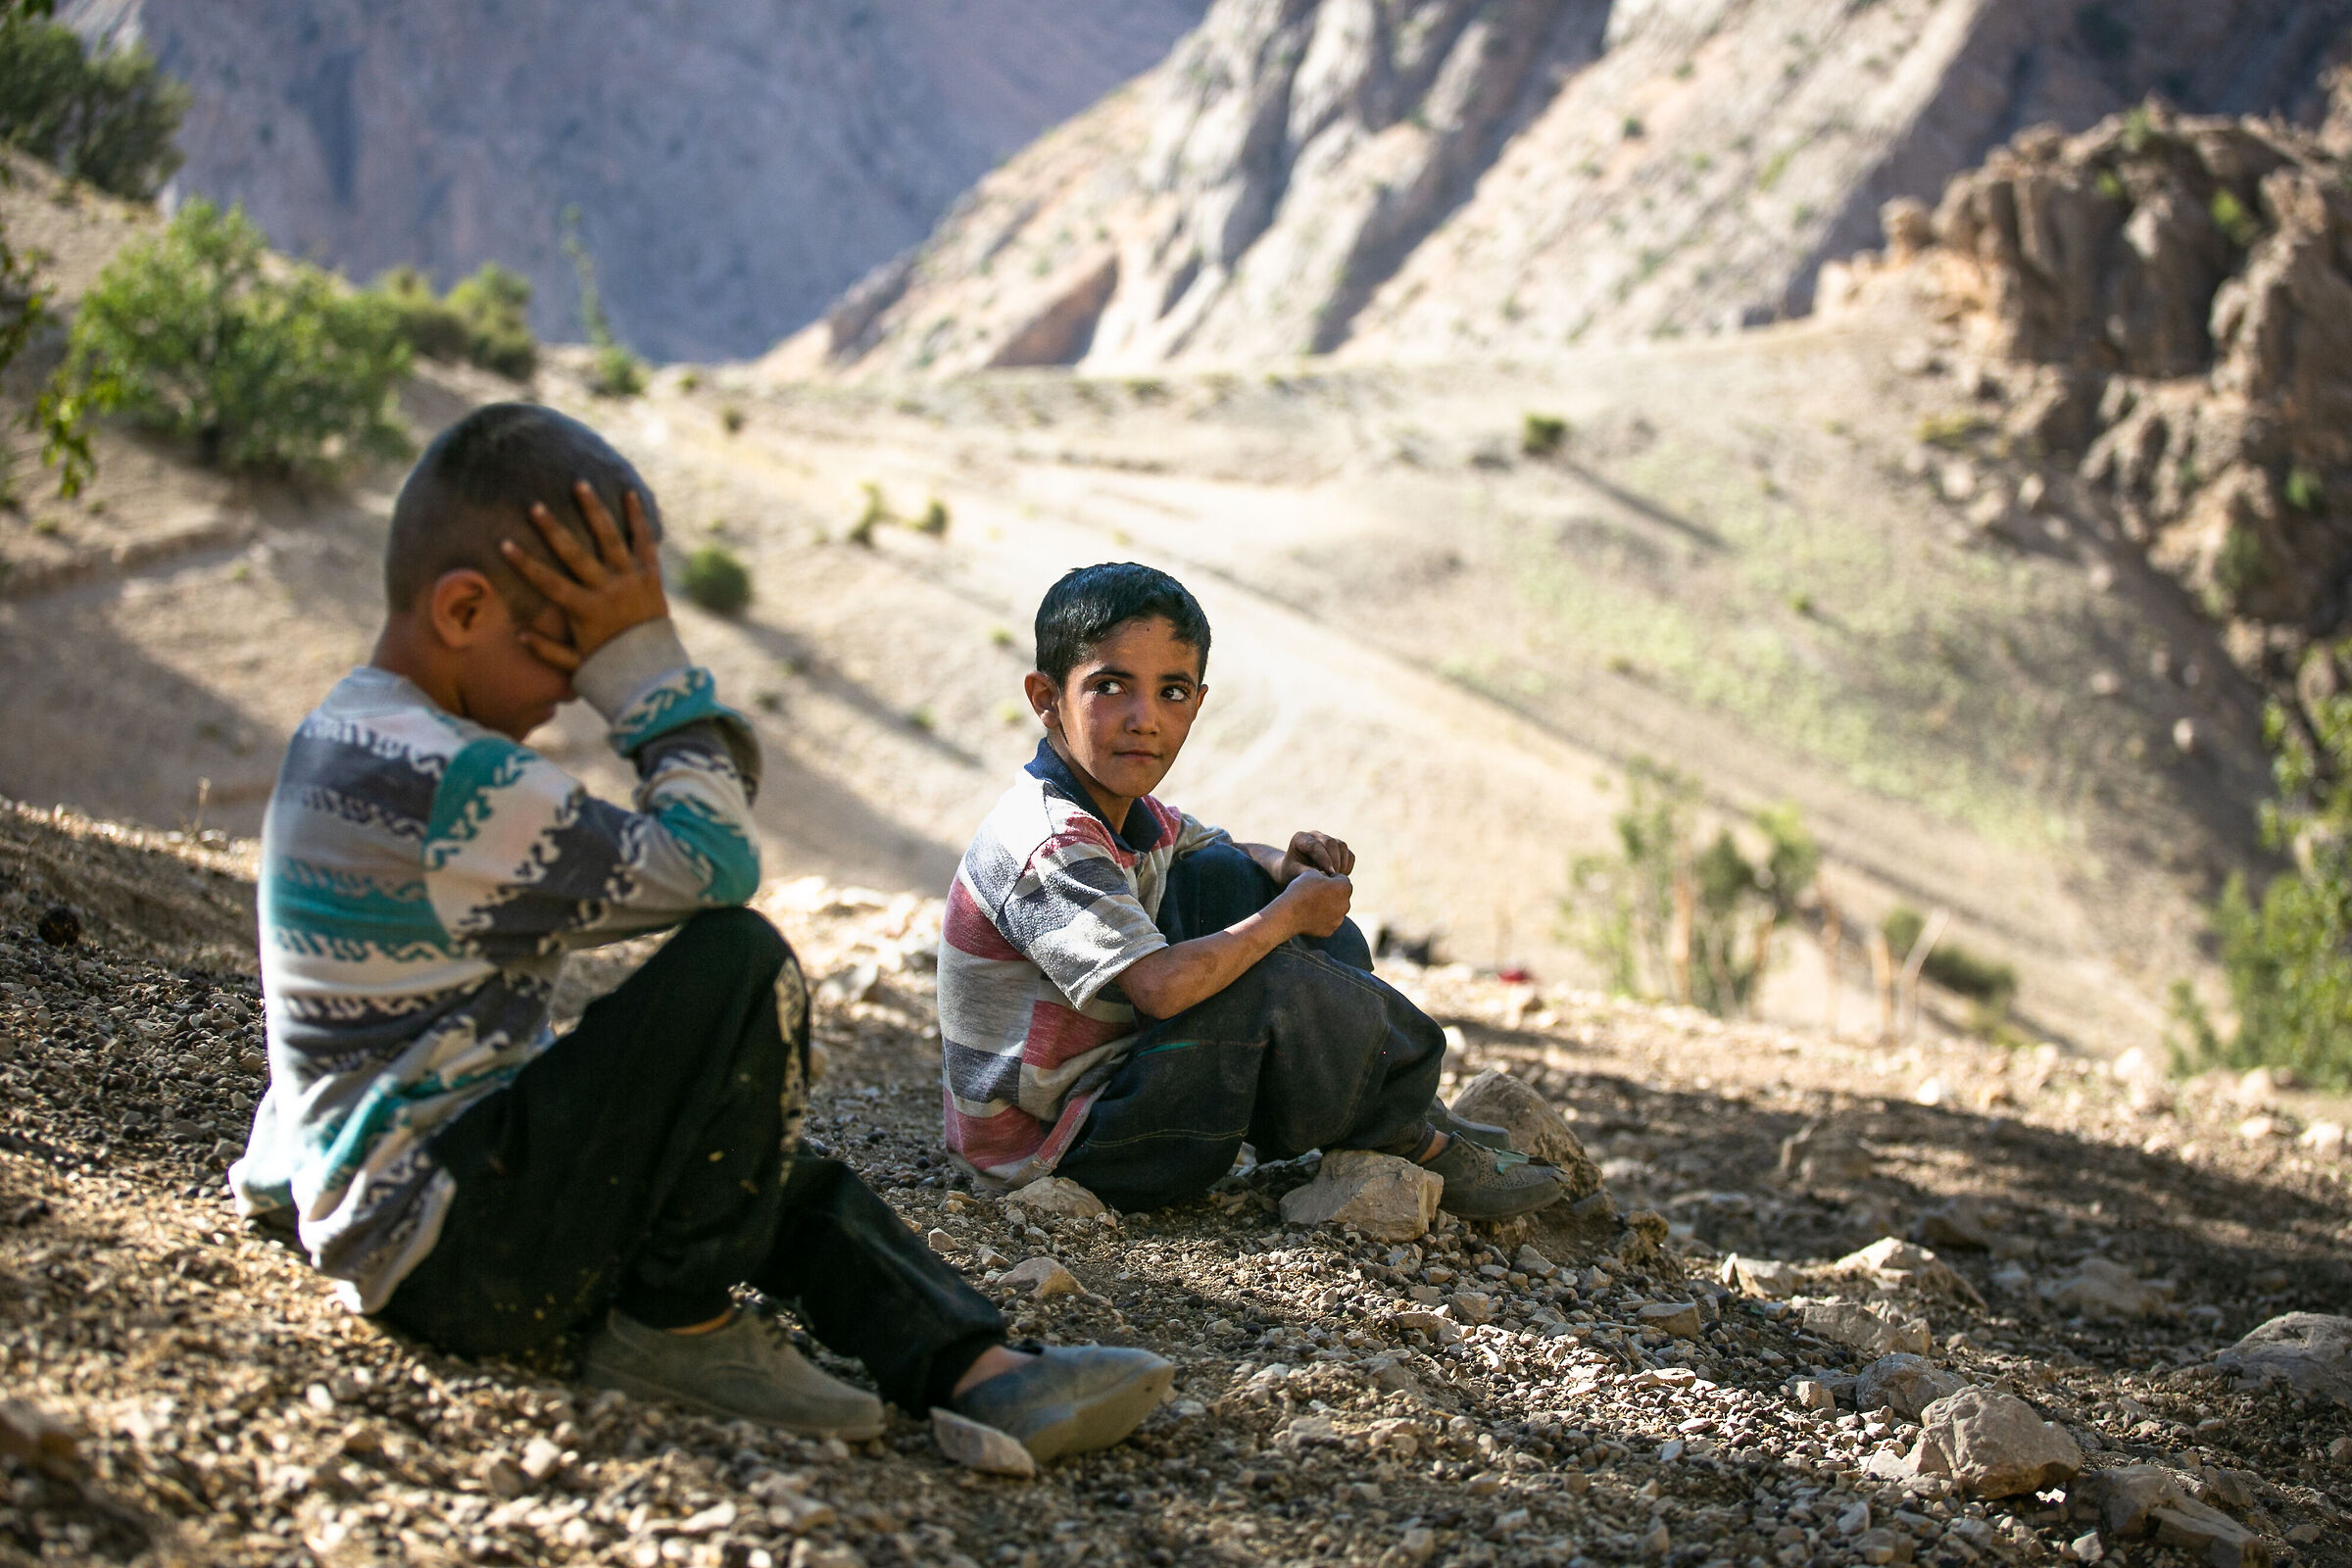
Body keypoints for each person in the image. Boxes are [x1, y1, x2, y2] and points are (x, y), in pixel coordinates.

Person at [229, 404, 1167, 1460]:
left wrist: (301, 1173)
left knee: (767, 1166)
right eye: (570, 653)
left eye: (596, 665)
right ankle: (674, 1326)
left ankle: (976, 1372)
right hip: (459, 1247)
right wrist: (648, 673)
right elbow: (713, 860)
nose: (574, 693)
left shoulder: (350, 736)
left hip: (432, 1208)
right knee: (737, 964)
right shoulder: (439, 775)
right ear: (464, 610)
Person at [935, 562, 1571, 1220]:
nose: (1145, 719)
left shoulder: (1122, 811)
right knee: (1270, 978)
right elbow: (1159, 988)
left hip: (1112, 1093)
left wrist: (1286, 869)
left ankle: (1393, 1105)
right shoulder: (1048, 841)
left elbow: (1215, 847)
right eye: (1111, 686)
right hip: (1058, 1149)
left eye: (1172, 692)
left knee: (1230, 878)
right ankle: (1406, 1136)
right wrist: (1285, 915)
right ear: (1046, 698)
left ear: (1198, 704)